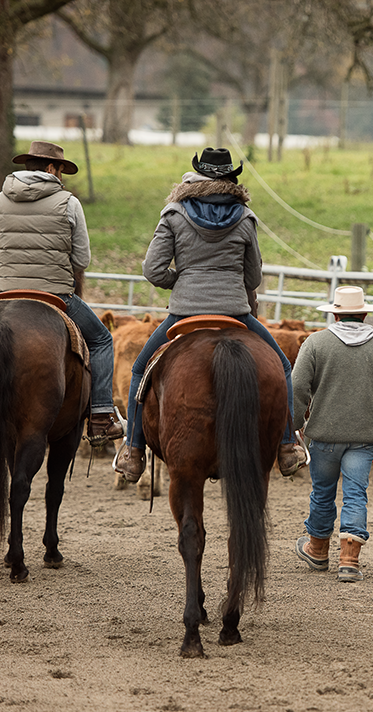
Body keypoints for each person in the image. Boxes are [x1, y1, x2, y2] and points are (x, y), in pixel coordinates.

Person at [113, 147, 307, 481]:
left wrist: (183, 281)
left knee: (141, 369)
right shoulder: (245, 218)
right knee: (282, 367)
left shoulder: (173, 214)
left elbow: (153, 270)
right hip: (235, 310)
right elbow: (253, 277)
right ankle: (288, 446)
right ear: (231, 179)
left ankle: (133, 449)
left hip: (185, 311)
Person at [0, 140, 124, 446]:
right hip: (55, 294)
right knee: (102, 340)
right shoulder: (68, 202)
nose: (62, 177)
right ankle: (101, 416)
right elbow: (82, 260)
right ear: (52, 169)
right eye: (61, 170)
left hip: (6, 292)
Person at [292, 286, 373, 583]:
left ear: (334, 312)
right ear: (365, 313)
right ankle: (349, 559)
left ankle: (317, 550)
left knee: (322, 492)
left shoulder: (315, 343)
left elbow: (297, 388)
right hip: (363, 439)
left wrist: (293, 424)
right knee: (356, 494)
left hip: (323, 437)